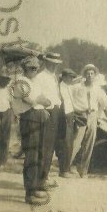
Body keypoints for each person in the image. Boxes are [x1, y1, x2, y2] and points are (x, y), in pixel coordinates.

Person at [70, 63, 107, 177]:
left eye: (92, 73)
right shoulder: (77, 87)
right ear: (84, 75)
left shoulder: (98, 89)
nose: (90, 75)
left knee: (89, 143)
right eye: (88, 73)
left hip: (93, 116)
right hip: (80, 115)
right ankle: (66, 167)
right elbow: (67, 96)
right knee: (76, 141)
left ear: (95, 76)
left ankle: (83, 170)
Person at [15, 55, 52, 204]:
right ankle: (29, 191)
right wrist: (41, 101)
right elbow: (28, 100)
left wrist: (42, 101)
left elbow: (46, 99)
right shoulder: (20, 81)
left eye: (36, 68)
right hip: (30, 118)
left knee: (40, 153)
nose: (34, 70)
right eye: (31, 68)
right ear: (25, 68)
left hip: (40, 117)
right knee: (31, 154)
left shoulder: (34, 82)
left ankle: (37, 185)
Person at [33, 52, 64, 190]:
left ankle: (45, 176)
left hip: (55, 112)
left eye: (56, 64)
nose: (54, 66)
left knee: (50, 146)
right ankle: (40, 179)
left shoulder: (53, 77)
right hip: (46, 113)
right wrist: (43, 111)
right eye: (52, 63)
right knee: (44, 146)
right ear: (46, 62)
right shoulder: (40, 77)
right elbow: (37, 97)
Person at [54, 68, 78, 178]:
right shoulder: (59, 88)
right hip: (62, 117)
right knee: (64, 143)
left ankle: (67, 168)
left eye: (72, 77)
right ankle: (63, 170)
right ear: (63, 77)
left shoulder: (69, 87)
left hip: (70, 115)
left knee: (70, 143)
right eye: (69, 77)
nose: (71, 79)